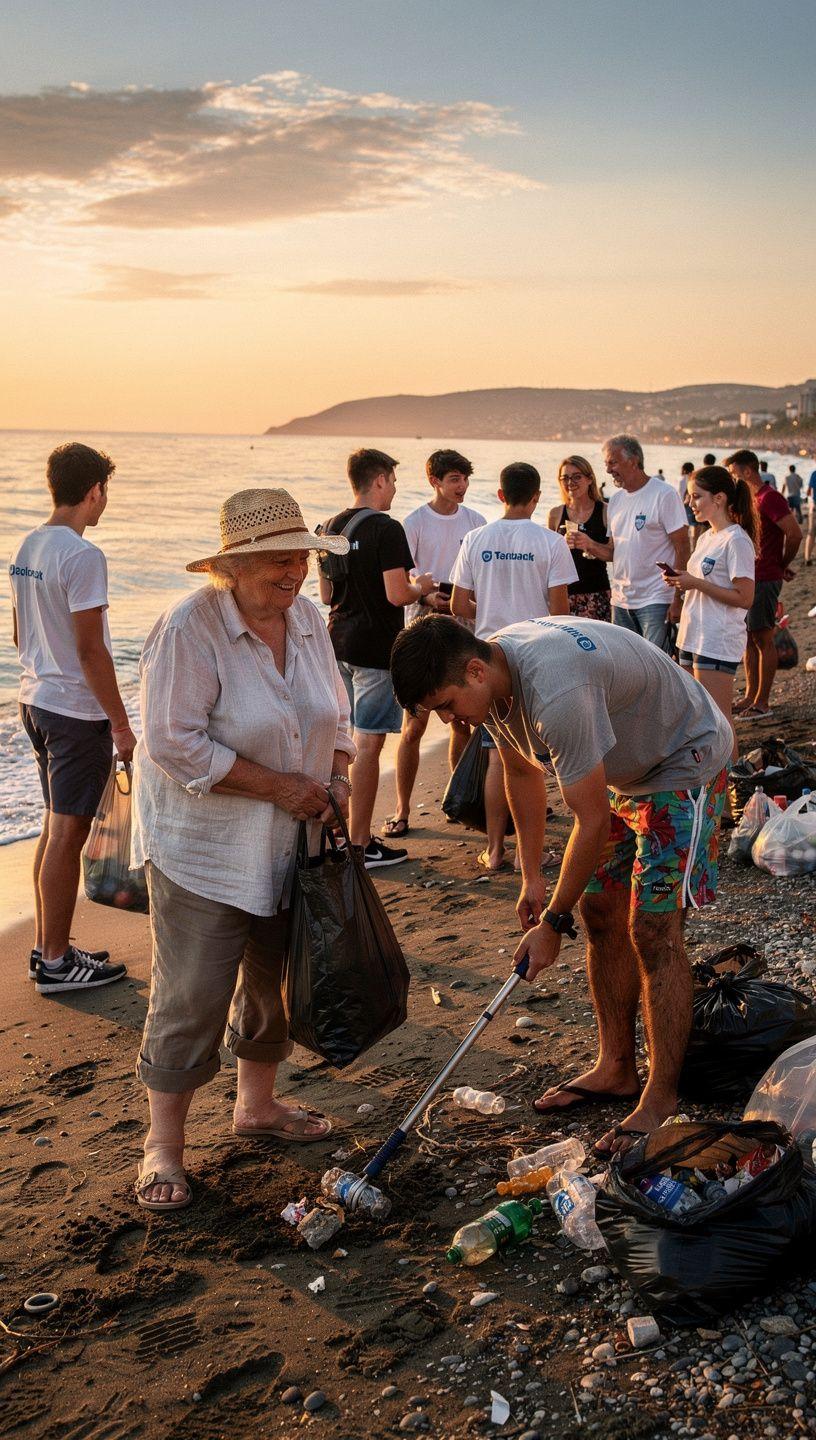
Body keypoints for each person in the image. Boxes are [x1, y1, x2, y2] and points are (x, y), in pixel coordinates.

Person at [390, 615, 732, 1154]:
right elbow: (522, 772)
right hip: (618, 767)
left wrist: (552, 921)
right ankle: (616, 1067)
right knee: (599, 914)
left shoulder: (557, 692)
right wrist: (532, 877)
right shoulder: (494, 684)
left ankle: (661, 1095)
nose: (449, 720)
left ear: (475, 670)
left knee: (653, 932)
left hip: (681, 761)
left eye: (446, 706)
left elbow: (589, 821)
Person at [132, 489, 355, 1211]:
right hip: (204, 848)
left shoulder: (309, 619)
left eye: (302, 557)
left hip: (292, 842)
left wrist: (340, 772)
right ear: (234, 565)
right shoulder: (189, 628)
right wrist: (281, 788)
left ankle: (255, 1107)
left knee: (273, 983)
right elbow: (172, 743)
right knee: (192, 993)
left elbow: (335, 707)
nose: (295, 572)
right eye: (279, 561)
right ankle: (163, 1145)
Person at [8, 442, 135, 994]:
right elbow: (91, 652)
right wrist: (122, 724)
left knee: (53, 828)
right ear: (94, 491)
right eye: (105, 492)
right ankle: (57, 963)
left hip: (34, 701)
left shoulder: (28, 545)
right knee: (67, 834)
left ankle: (47, 948)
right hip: (73, 712)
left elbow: (19, 634)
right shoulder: (83, 555)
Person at [451, 461, 576, 870]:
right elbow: (560, 611)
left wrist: (488, 607)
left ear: (500, 494)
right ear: (537, 498)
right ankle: (528, 854)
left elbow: (457, 605)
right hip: (537, 653)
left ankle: (496, 850)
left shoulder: (475, 538)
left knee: (499, 757)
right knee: (533, 760)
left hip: (488, 656)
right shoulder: (550, 542)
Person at [319, 449, 434, 867]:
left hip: (336, 645)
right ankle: (361, 841)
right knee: (368, 744)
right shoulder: (388, 529)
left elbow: (327, 595)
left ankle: (336, 835)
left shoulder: (328, 528)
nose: (395, 490)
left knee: (340, 743)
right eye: (394, 482)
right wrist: (420, 586)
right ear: (380, 480)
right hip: (374, 649)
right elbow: (396, 594)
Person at [383, 449, 485, 839]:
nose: (462, 487)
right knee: (414, 726)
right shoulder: (414, 522)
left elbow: (478, 573)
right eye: (455, 479)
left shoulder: (476, 521)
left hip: (461, 623)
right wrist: (425, 597)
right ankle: (402, 809)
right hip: (423, 626)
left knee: (463, 721)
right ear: (435, 481)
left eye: (465, 479)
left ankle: (456, 799)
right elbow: (403, 577)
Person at [663, 466, 757, 756]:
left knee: (718, 720)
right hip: (693, 634)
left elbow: (745, 597)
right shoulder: (706, 537)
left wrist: (695, 583)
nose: (690, 503)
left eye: (696, 497)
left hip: (717, 638)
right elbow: (703, 583)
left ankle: (730, 787)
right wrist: (682, 582)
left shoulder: (736, 540)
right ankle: (709, 783)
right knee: (695, 718)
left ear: (719, 498)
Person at [725, 449, 802, 717]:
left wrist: (781, 565)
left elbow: (794, 533)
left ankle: (763, 702)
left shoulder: (769, 497)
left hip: (765, 577)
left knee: (763, 637)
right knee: (748, 637)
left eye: (735, 473)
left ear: (747, 471)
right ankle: (750, 696)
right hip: (752, 577)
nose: (733, 479)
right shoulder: (752, 499)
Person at [602, 435, 689, 649]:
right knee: (627, 666)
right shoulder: (615, 500)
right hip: (621, 601)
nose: (608, 470)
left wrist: (677, 598)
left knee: (656, 667)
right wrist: (587, 544)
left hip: (656, 599)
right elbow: (615, 551)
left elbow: (683, 547)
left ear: (633, 461)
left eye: (612, 462)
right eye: (606, 464)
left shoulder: (664, 494)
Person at [547, 455, 612, 620]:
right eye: (565, 478)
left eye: (576, 477)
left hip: (596, 594)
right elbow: (548, 560)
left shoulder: (605, 511)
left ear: (589, 479)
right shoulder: (555, 514)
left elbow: (614, 555)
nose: (570, 482)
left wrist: (590, 544)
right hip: (564, 596)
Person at [805, 461, 816, 565]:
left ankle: (808, 558)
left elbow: (808, 492)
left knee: (811, 532)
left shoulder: (814, 474)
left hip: (815, 507)